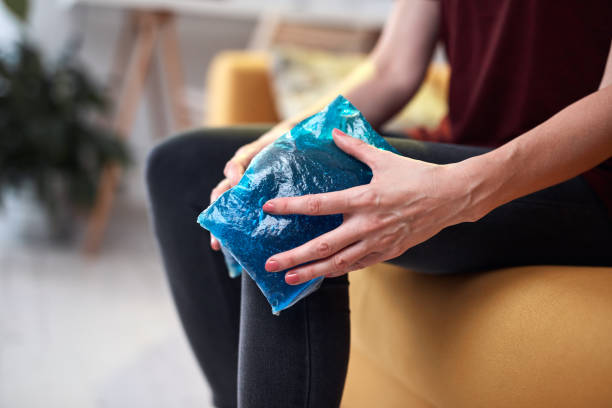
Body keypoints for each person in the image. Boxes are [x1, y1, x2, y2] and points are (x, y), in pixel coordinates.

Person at [146, 1, 612, 407]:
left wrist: (460, 191)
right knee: (181, 167)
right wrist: (285, 135)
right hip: (466, 143)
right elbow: (393, 70)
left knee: (289, 197)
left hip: (583, 182)